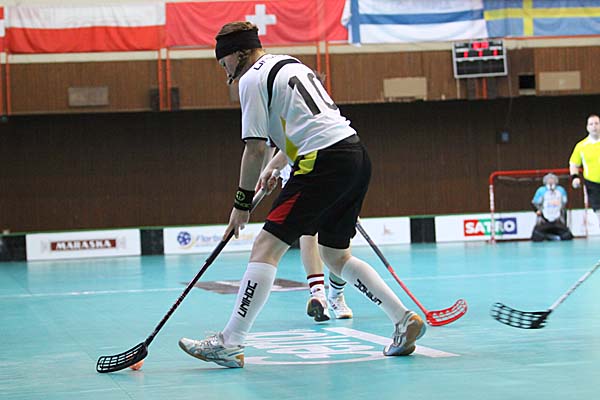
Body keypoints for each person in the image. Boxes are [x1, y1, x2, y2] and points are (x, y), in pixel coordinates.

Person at [178, 21, 425, 368]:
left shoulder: (250, 79)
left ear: (239, 53)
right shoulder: (289, 64)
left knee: (265, 247)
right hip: (354, 154)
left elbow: (254, 148)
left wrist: (241, 204)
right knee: (335, 255)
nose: (225, 70)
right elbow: (305, 125)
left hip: (320, 162)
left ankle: (230, 342)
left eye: (224, 62)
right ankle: (402, 319)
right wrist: (276, 165)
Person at [278, 164, 353, 322]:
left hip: (334, 170)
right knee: (308, 231)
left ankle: (336, 295)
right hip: (299, 174)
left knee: (340, 238)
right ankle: (318, 294)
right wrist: (271, 168)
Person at [570, 114, 600, 226]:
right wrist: (575, 177)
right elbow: (574, 164)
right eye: (591, 124)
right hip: (593, 184)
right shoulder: (581, 146)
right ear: (587, 127)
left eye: (596, 123)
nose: (594, 126)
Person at [530, 173, 573, 241]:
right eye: (548, 180)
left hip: (558, 220)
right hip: (544, 220)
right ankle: (547, 236)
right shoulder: (541, 190)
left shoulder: (561, 190)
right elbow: (534, 203)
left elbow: (564, 203)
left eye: (552, 180)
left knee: (567, 236)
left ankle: (555, 237)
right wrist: (538, 211)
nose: (550, 182)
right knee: (536, 236)